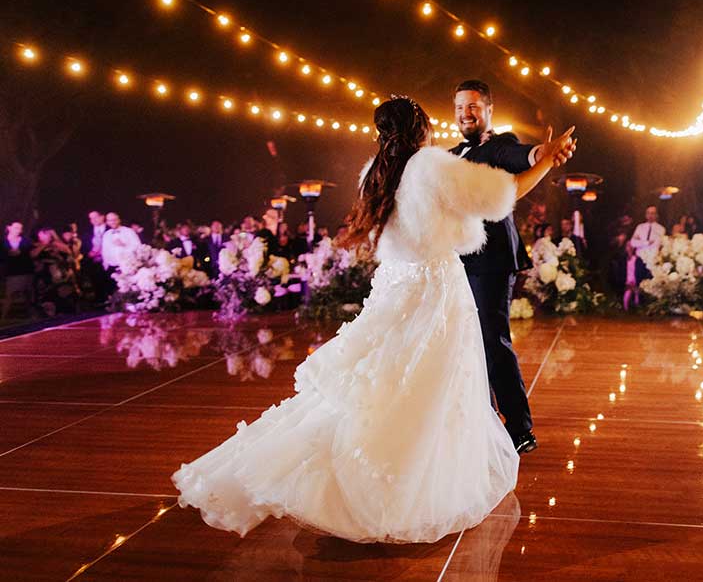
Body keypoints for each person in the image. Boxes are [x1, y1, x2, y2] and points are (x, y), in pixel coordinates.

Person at [173, 96, 577, 542]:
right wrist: (547, 163)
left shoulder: (374, 174)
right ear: (420, 128)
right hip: (434, 291)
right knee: (427, 388)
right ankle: (405, 490)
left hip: (393, 288)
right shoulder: (430, 165)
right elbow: (502, 195)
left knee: (375, 386)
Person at [450, 79, 576, 455]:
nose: (465, 113)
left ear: (488, 110)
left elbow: (522, 155)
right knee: (465, 344)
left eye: (472, 106)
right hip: (455, 259)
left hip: (490, 259)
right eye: (459, 107)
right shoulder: (451, 153)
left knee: (492, 341)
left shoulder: (499, 144)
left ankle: (520, 428)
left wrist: (543, 153)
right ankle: (482, 423)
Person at [1, 221, 35, 320]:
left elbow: (30, 254)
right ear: (9, 228)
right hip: (12, 272)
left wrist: (21, 252)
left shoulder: (25, 241)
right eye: (16, 227)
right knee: (10, 295)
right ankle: (3, 317)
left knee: (28, 293)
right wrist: (8, 254)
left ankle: (30, 314)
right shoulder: (3, 242)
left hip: (26, 270)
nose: (18, 230)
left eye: (20, 228)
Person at [100, 212, 142, 277]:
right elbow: (104, 251)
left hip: (128, 266)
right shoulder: (106, 234)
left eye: (114, 220)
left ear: (119, 220)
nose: (112, 222)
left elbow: (138, 246)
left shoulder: (129, 231)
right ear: (107, 222)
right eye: (110, 220)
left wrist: (124, 245)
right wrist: (105, 265)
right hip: (112, 267)